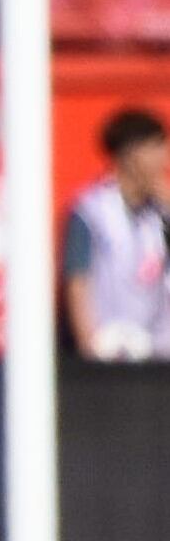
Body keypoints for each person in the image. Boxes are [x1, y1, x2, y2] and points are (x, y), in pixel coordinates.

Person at [64, 107, 170, 359]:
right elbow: (78, 279)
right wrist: (87, 343)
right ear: (131, 154)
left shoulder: (159, 212)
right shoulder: (92, 211)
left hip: (158, 350)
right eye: (156, 148)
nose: (163, 159)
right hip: (109, 349)